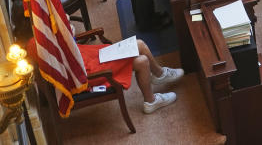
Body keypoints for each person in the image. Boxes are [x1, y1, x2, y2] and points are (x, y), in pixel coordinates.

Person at [28, 36, 184, 114]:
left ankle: (151, 99)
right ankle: (159, 76)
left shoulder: (34, 43)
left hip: (86, 60)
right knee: (140, 46)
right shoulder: (40, 42)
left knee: (142, 60)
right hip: (87, 74)